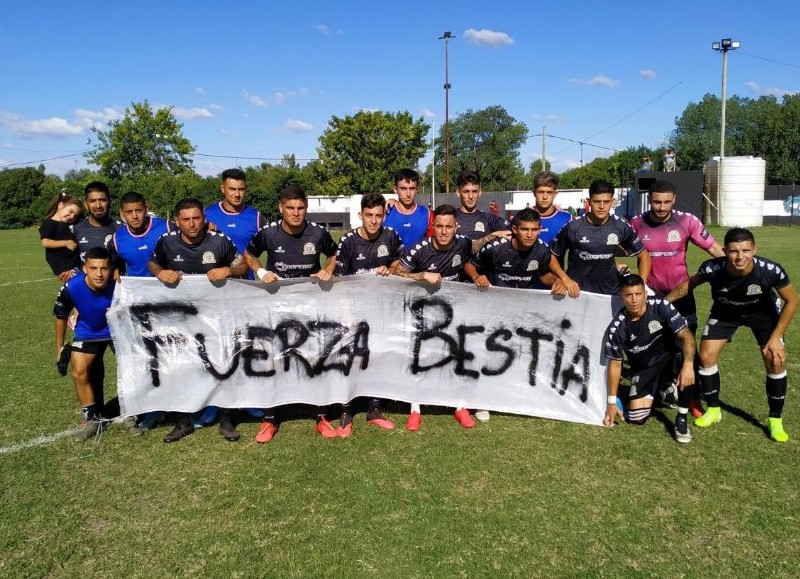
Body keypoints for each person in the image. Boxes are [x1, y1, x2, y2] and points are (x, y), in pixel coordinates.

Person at [666, 228, 798, 442]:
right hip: (725, 313)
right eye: (734, 251)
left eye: (746, 250)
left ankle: (775, 420)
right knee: (707, 357)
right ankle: (714, 409)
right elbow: (687, 285)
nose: (740, 256)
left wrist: (776, 336)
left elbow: (792, 300)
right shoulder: (712, 268)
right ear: (725, 251)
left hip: (762, 314)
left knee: (774, 359)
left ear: (754, 249)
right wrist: (662, 304)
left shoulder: (770, 270)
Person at [149, 198, 249, 443]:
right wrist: (160, 272)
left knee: (224, 366)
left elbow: (243, 265)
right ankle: (183, 422)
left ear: (204, 217)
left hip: (218, 318)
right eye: (186, 219)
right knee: (179, 368)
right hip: (181, 320)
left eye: (196, 218)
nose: (192, 224)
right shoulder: (166, 242)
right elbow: (152, 262)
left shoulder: (219, 240)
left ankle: (227, 420)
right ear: (177, 221)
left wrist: (229, 270)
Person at [243, 185, 337, 443]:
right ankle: (270, 418)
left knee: (315, 357)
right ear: (281, 208)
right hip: (277, 303)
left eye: (301, 208)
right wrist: (260, 272)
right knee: (273, 357)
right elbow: (249, 254)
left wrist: (328, 270)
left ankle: (321, 415)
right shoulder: (268, 233)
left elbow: (333, 255)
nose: (296, 213)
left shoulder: (318, 233)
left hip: (310, 304)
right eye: (291, 208)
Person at [630, 179, 725, 416]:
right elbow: (617, 246)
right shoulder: (637, 223)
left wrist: (735, 270)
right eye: (656, 202)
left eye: (666, 202)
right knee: (655, 345)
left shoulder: (686, 221)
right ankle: (661, 388)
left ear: (674, 200)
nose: (661, 207)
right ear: (649, 200)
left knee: (686, 345)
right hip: (651, 297)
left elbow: (714, 249)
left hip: (681, 294)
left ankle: (692, 396)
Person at [394, 204, 484, 431]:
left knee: (456, 355)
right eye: (439, 227)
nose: (444, 232)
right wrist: (423, 275)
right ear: (432, 227)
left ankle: (459, 406)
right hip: (422, 312)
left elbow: (478, 247)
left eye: (448, 227)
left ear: (456, 227)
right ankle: (415, 408)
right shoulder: (420, 249)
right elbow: (397, 273)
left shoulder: (462, 243)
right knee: (419, 357)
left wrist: (498, 234)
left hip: (454, 311)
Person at [333, 192, 405, 436]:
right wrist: (346, 314)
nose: (374, 220)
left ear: (384, 215)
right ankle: (346, 410)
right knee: (350, 358)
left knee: (378, 357)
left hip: (382, 309)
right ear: (360, 215)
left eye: (378, 215)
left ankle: (374, 409)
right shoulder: (347, 242)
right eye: (369, 215)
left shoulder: (391, 235)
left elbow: (400, 261)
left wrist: (391, 268)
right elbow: (340, 282)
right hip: (353, 311)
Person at [602, 275, 697, 443]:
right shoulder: (617, 327)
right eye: (628, 295)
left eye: (638, 294)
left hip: (669, 359)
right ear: (621, 296)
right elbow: (616, 365)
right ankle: (662, 388)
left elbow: (687, 336)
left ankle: (681, 418)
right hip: (645, 369)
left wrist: (688, 364)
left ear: (645, 294)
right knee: (637, 417)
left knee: (686, 357)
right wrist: (611, 401)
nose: (634, 300)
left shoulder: (662, 306)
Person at [53, 247, 119, 441]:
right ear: (85, 268)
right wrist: (59, 348)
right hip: (88, 331)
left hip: (116, 331)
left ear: (111, 268)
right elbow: (60, 317)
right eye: (93, 268)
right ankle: (92, 419)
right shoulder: (71, 287)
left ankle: (131, 413)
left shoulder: (119, 284)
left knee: (131, 367)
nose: (99, 274)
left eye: (104, 268)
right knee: (79, 371)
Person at [550, 179, 650, 297]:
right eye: (597, 201)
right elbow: (552, 256)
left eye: (606, 202)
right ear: (589, 201)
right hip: (577, 293)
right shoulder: (573, 226)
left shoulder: (620, 226)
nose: (602, 206)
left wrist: (641, 284)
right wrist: (564, 279)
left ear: (613, 201)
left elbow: (644, 255)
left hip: (611, 294)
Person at [472, 208, 578, 294]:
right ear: (514, 229)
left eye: (534, 230)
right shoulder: (495, 248)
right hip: (495, 300)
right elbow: (469, 264)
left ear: (540, 230)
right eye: (524, 229)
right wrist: (476, 277)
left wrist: (557, 281)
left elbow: (544, 275)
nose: (529, 235)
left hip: (524, 302)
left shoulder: (542, 250)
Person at [107, 191, 172, 277]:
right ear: (122, 213)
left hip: (169, 288)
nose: (134, 216)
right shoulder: (117, 239)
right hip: (136, 289)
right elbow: (110, 264)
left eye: (138, 210)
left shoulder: (167, 227)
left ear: (146, 209)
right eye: (129, 212)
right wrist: (113, 269)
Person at [452, 169, 510, 253]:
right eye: (466, 192)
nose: (471, 196)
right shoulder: (450, 219)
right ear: (458, 193)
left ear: (480, 192)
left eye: (474, 191)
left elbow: (517, 229)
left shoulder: (489, 219)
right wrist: (488, 238)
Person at [383, 168, 433, 249]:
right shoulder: (385, 212)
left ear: (417, 189)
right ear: (395, 189)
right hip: (390, 261)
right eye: (403, 189)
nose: (408, 194)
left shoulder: (427, 214)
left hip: (419, 261)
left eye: (412, 188)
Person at [40, 191, 83, 282]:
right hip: (65, 268)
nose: (71, 216)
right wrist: (66, 243)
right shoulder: (49, 223)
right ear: (60, 205)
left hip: (75, 264)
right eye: (70, 211)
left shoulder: (66, 224)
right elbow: (46, 242)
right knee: (82, 286)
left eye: (75, 215)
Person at [73, 181, 119, 263]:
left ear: (110, 202)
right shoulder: (75, 228)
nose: (98, 205)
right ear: (86, 205)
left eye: (102, 200)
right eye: (92, 201)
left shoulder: (121, 229)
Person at [532, 171, 571, 246]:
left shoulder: (568, 219)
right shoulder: (521, 218)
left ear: (555, 194)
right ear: (534, 193)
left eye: (549, 192)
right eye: (541, 192)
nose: (545, 197)